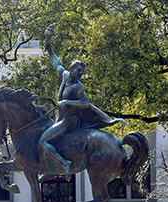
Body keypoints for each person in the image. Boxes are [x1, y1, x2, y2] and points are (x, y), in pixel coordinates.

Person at [40, 24, 126, 176]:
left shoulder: (78, 88)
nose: (80, 73)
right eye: (78, 70)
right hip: (61, 118)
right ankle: (50, 169)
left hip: (70, 121)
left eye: (82, 72)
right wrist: (49, 47)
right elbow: (57, 64)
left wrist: (67, 102)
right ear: (72, 69)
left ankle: (63, 163)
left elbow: (85, 103)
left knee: (43, 141)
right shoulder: (65, 76)